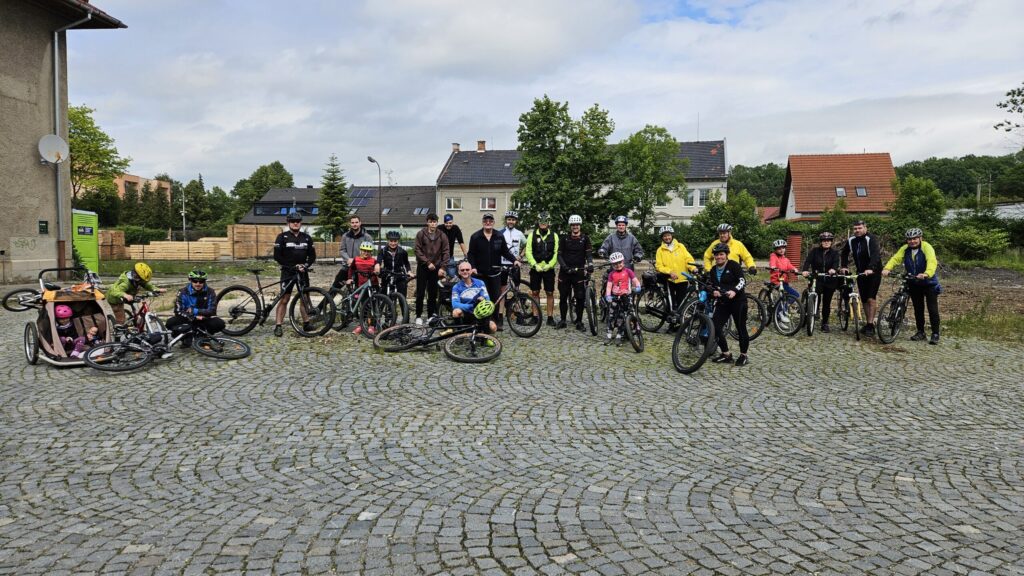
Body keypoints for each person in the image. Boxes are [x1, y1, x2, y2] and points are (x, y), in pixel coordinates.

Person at [883, 228, 941, 344]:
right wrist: (887, 268)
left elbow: (932, 261)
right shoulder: (905, 249)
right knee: (918, 309)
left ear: (920, 238)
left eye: (915, 239)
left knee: (932, 309)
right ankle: (921, 332)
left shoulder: (926, 247)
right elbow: (896, 258)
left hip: (928, 283)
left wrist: (926, 273)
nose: (912, 241)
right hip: (914, 282)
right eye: (909, 239)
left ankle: (935, 333)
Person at [466, 213, 519, 330]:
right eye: (486, 220)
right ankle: (481, 323)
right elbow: (471, 254)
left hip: (495, 273)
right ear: (483, 222)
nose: (488, 223)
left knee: (495, 298)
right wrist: (473, 267)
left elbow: (505, 251)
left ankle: (494, 323)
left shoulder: (499, 236)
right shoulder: (475, 237)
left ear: (493, 222)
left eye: (490, 221)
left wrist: (514, 260)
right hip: (480, 274)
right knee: (482, 299)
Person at [273, 210, 316, 337]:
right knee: (285, 299)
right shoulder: (282, 237)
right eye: (293, 221)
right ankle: (278, 325)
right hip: (288, 272)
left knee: (304, 298)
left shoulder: (307, 237)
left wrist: (305, 265)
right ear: (288, 223)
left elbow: (312, 256)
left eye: (297, 221)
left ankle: (306, 323)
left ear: (301, 223)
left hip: (302, 272)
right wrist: (292, 266)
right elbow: (277, 256)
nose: (295, 223)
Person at [708, 243, 750, 366]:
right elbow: (712, 285)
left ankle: (744, 355)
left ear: (726, 255)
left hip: (738, 301)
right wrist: (714, 291)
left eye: (721, 254)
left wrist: (734, 291)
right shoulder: (713, 270)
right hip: (723, 302)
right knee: (715, 326)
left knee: (741, 328)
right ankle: (726, 354)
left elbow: (742, 281)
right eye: (716, 255)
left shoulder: (733, 265)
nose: (719, 257)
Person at [840, 219, 882, 336]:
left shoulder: (870, 239)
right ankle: (868, 323)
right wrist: (844, 266)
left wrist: (871, 268)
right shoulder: (851, 240)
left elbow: (875, 255)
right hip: (860, 272)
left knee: (871, 298)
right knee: (863, 299)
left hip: (874, 272)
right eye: (855, 228)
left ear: (865, 228)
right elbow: (844, 253)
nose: (857, 230)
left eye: (859, 228)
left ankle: (871, 325)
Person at [166, 269, 226, 346]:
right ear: (190, 280)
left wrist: (194, 311)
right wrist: (192, 317)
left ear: (204, 282)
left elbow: (212, 311)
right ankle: (185, 337)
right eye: (195, 281)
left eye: (201, 281)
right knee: (170, 322)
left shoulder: (210, 292)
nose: (198, 284)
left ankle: (203, 335)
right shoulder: (182, 292)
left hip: (202, 318)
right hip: (187, 318)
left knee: (219, 323)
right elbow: (178, 311)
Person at [555, 214, 593, 330]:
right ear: (570, 226)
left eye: (577, 225)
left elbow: (588, 254)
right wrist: (565, 267)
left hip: (579, 272)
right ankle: (562, 320)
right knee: (563, 297)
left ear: (580, 226)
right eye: (573, 225)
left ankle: (579, 321)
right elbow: (559, 255)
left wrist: (590, 264)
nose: (575, 227)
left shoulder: (585, 239)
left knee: (580, 297)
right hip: (565, 272)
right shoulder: (564, 239)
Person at [654, 225, 695, 329]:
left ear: (672, 235)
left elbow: (688, 259)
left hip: (682, 279)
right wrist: (669, 272)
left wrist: (693, 268)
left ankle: (680, 323)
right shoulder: (660, 250)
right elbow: (659, 266)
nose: (667, 237)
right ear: (662, 238)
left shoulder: (680, 246)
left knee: (682, 302)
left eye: (668, 235)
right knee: (670, 302)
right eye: (664, 236)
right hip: (669, 280)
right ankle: (671, 324)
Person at [801, 232, 842, 332]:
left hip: (830, 280)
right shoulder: (815, 251)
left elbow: (836, 263)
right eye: (824, 240)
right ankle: (812, 314)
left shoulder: (835, 253)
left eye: (828, 240)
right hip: (817, 278)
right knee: (815, 298)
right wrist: (805, 270)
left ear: (831, 242)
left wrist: (833, 269)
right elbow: (808, 261)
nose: (826, 242)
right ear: (821, 242)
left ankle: (825, 323)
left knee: (826, 303)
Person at [413, 213, 450, 323]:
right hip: (423, 267)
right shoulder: (421, 234)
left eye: (435, 222)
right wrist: (427, 262)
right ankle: (418, 316)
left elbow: (446, 252)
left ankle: (430, 316)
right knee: (420, 293)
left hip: (436, 268)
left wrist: (443, 267)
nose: (433, 224)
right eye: (431, 222)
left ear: (437, 223)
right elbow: (417, 250)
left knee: (433, 293)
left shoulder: (442, 235)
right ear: (427, 222)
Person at [524, 212, 559, 326]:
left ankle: (550, 317)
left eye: (545, 221)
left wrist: (551, 265)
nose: (543, 223)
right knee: (535, 292)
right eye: (541, 221)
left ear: (549, 222)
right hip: (536, 268)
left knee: (549, 292)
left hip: (549, 269)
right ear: (538, 222)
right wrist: (535, 265)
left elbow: (556, 253)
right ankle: (535, 317)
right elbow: (528, 252)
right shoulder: (531, 235)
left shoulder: (554, 235)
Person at [603, 252, 641, 345]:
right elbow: (609, 286)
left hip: (626, 296)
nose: (618, 265)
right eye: (615, 264)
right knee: (612, 316)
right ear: (612, 265)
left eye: (619, 262)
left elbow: (635, 280)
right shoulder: (612, 274)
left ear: (623, 262)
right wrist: (608, 295)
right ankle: (609, 334)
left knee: (622, 317)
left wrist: (638, 287)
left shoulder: (628, 271)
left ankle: (620, 335)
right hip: (615, 297)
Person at [450, 260, 498, 334]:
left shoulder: (480, 283)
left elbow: (487, 299)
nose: (465, 271)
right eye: (462, 270)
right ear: (459, 272)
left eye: (467, 270)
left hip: (480, 312)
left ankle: (484, 336)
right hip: (467, 313)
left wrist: (483, 300)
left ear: (471, 271)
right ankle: (460, 333)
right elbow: (455, 304)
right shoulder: (456, 287)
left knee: (493, 328)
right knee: (456, 312)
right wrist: (471, 306)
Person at [347, 241, 379, 335]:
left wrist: (377, 270)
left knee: (372, 307)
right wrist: (349, 278)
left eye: (368, 251)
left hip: (372, 285)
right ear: (361, 250)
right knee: (362, 306)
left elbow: (378, 269)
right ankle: (361, 325)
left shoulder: (373, 261)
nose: (366, 253)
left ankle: (372, 326)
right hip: (361, 286)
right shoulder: (356, 260)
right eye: (364, 250)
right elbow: (351, 269)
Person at [499, 211, 527, 318]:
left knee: (516, 289)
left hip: (514, 264)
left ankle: (517, 313)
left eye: (513, 220)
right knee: (502, 290)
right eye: (509, 219)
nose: (511, 221)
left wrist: (521, 256)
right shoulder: (500, 232)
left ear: (516, 221)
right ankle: (500, 315)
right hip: (502, 264)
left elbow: (527, 245)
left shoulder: (519, 233)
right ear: (506, 220)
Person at [335, 214, 373, 289]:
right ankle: (328, 297)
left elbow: (369, 252)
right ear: (350, 224)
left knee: (359, 290)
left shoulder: (367, 237)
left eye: (356, 222)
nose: (354, 224)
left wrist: (357, 260)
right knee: (336, 286)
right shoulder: (345, 236)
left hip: (361, 267)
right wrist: (348, 259)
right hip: (347, 266)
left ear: (360, 223)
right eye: (352, 223)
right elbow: (342, 250)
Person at [768, 239, 801, 324]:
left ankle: (782, 309)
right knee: (788, 296)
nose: (781, 250)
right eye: (779, 248)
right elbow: (772, 262)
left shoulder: (785, 259)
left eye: (783, 248)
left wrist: (794, 269)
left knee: (794, 295)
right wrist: (773, 266)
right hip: (776, 281)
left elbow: (789, 266)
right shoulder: (773, 256)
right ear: (775, 250)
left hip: (784, 282)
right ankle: (780, 311)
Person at [375, 230, 414, 299]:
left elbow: (406, 263)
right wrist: (377, 265)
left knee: (402, 295)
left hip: (399, 274)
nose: (393, 243)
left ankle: (403, 305)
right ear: (388, 241)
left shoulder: (403, 252)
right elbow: (379, 260)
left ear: (398, 241)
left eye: (395, 241)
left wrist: (409, 271)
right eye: (391, 241)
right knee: (383, 295)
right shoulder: (383, 251)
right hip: (387, 274)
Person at [440, 214, 467, 278]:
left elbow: (461, 242)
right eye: (446, 223)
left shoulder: (455, 228)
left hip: (450, 256)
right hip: (439, 257)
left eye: (450, 223)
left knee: (452, 276)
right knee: (440, 276)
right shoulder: (439, 228)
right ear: (444, 222)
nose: (448, 224)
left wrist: (466, 255)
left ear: (452, 222)